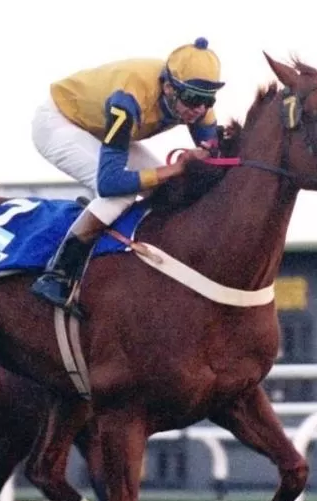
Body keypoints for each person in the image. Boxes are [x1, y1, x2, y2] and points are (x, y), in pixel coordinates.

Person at [29, 37, 226, 312]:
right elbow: (110, 183)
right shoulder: (128, 100)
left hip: (101, 125)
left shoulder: (196, 103)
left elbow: (216, 158)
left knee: (169, 189)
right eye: (193, 99)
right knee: (120, 195)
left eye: (208, 100)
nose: (200, 109)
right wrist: (177, 167)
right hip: (59, 122)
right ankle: (57, 274)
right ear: (169, 87)